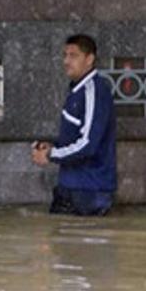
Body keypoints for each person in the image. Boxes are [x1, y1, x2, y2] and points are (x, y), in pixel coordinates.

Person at [31, 34, 116, 216]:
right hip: (74, 187)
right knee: (63, 241)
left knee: (74, 241)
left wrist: (51, 154)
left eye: (73, 55)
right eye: (65, 55)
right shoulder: (78, 90)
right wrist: (53, 146)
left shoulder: (94, 91)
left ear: (89, 59)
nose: (66, 61)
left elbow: (87, 144)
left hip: (89, 191)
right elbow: (76, 137)